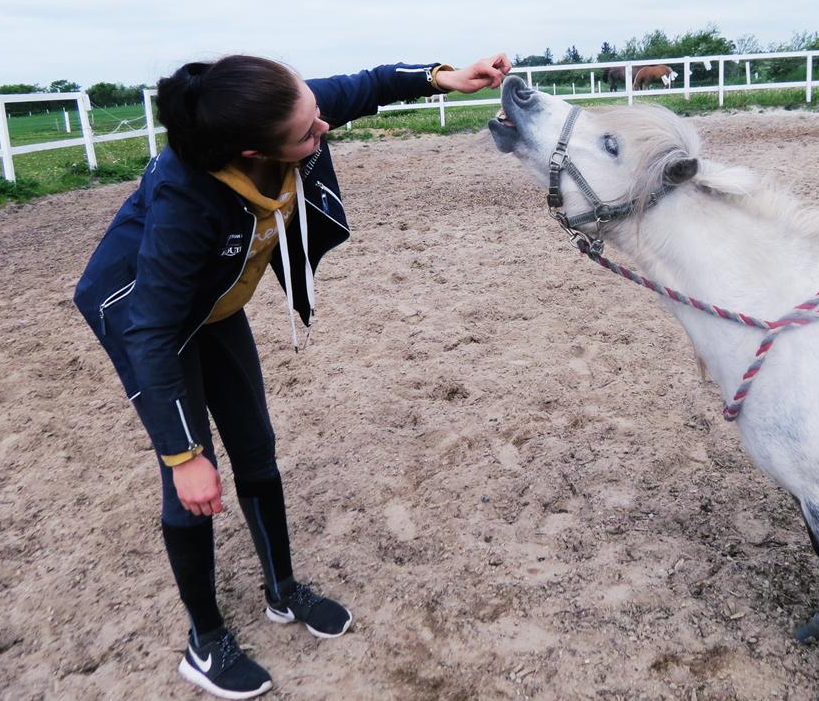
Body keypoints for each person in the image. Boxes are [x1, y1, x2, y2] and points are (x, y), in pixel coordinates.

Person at [74, 52, 511, 698]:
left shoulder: (280, 108)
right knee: (192, 481)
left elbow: (363, 86)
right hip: (148, 320)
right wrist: (182, 453)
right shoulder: (184, 198)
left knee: (256, 447)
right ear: (251, 152)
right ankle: (205, 642)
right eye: (308, 133)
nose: (322, 131)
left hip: (215, 306)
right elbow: (152, 328)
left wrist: (444, 77)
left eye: (314, 115)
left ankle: (281, 591)